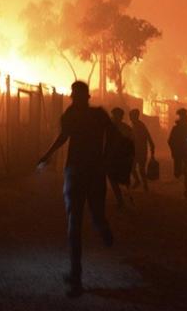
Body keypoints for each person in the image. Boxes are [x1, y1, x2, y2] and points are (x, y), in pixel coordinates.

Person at [37, 81, 114, 297]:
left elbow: (63, 138)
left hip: (76, 173)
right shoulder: (100, 115)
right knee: (96, 215)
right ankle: (102, 229)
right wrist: (106, 159)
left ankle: (76, 277)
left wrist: (47, 155)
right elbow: (114, 135)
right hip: (95, 173)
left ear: (73, 95)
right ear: (88, 96)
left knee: (74, 224)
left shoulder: (71, 115)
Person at [107, 107, 135, 208]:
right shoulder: (124, 128)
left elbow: (131, 143)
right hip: (116, 157)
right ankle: (123, 199)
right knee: (116, 178)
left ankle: (124, 199)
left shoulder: (123, 128)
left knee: (115, 178)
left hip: (119, 157)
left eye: (115, 115)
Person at [129, 109, 155, 192]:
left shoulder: (141, 126)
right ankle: (139, 182)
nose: (130, 118)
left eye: (131, 116)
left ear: (135, 116)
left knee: (141, 169)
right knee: (132, 168)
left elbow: (148, 137)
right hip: (135, 151)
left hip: (142, 151)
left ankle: (144, 185)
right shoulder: (133, 125)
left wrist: (152, 148)